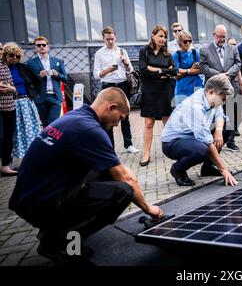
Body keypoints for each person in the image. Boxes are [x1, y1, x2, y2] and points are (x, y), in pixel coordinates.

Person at [9, 87, 163, 265]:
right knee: (123, 191)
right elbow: (126, 178)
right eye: (120, 118)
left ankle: (55, 229)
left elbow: (113, 168)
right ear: (111, 107)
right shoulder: (90, 130)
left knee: (106, 170)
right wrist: (148, 208)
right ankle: (59, 241)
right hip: (39, 205)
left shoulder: (76, 117)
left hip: (28, 197)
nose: (118, 124)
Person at [161, 74, 238, 187]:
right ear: (212, 92)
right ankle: (178, 169)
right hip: (172, 143)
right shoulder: (194, 107)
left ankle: (208, 168)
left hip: (193, 138)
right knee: (202, 150)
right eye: (222, 99)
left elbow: (220, 115)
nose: (223, 102)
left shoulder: (210, 96)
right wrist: (224, 170)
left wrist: (218, 132)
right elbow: (207, 142)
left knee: (226, 128)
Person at [93, 26, 139, 154]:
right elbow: (96, 75)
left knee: (125, 116)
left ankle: (128, 144)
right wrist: (107, 70)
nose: (110, 41)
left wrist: (125, 63)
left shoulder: (122, 51)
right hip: (108, 86)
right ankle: (110, 148)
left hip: (123, 85)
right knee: (107, 117)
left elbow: (131, 71)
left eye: (112, 39)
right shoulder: (99, 53)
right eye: (108, 39)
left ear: (115, 37)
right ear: (103, 39)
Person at [138, 25, 177, 166]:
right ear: (153, 35)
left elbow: (174, 71)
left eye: (165, 37)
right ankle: (146, 153)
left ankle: (172, 150)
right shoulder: (144, 51)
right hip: (149, 91)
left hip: (164, 91)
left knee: (167, 123)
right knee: (149, 123)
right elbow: (143, 70)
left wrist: (155, 69)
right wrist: (163, 72)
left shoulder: (167, 54)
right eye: (160, 36)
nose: (163, 39)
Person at [200, 24, 242, 152]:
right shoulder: (204, 49)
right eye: (219, 36)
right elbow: (203, 67)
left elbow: (238, 63)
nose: (222, 39)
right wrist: (219, 75)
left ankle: (230, 141)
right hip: (214, 87)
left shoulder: (233, 48)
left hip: (230, 84)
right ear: (214, 35)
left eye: (224, 37)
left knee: (232, 112)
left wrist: (227, 74)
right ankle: (212, 140)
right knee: (214, 113)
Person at [2, 44, 41, 160]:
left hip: (25, 103)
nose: (14, 58)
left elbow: (37, 80)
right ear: (5, 56)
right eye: (12, 55)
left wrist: (34, 94)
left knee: (31, 130)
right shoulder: (3, 69)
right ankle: (13, 158)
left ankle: (32, 155)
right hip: (11, 103)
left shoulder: (23, 67)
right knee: (15, 132)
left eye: (17, 56)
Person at [26, 36, 68, 127]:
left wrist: (56, 74)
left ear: (47, 46)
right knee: (45, 124)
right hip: (40, 97)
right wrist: (39, 76)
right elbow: (28, 82)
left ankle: (55, 141)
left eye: (43, 45)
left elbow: (65, 79)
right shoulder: (30, 63)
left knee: (53, 123)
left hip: (55, 96)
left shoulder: (58, 61)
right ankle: (47, 141)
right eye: (39, 45)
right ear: (36, 47)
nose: (41, 47)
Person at [172, 30, 202, 105]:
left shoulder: (195, 52)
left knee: (197, 111)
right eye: (185, 41)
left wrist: (186, 71)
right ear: (180, 42)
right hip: (182, 88)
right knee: (182, 112)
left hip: (196, 85)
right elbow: (176, 76)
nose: (188, 43)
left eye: (190, 41)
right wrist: (192, 69)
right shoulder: (176, 55)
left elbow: (200, 70)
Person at [0, 60, 17, 176]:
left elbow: (12, 87)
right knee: (0, 137)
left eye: (1, 49)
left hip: (10, 106)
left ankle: (5, 166)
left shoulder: (5, 66)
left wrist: (13, 89)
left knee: (8, 137)